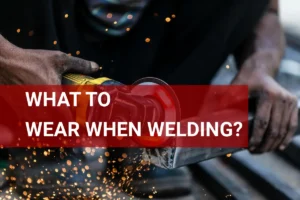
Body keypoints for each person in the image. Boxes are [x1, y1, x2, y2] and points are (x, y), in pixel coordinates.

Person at [0, 0, 298, 199]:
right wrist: (9, 60)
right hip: (34, 41)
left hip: (142, 46)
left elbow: (266, 11)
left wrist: (261, 63)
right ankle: (40, 148)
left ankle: (145, 143)